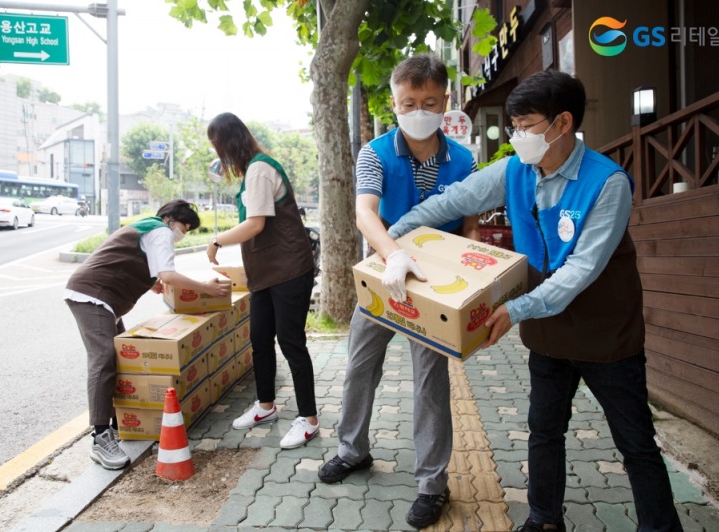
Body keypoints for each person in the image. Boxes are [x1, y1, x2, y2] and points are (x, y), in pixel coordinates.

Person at [387, 70, 683, 532]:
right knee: (545, 431)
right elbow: (453, 200)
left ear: (562, 123)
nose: (518, 137)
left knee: (636, 444)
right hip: (548, 332)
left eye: (526, 126)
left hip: (606, 333)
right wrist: (393, 237)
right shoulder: (515, 171)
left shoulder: (608, 184)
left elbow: (581, 271)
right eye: (514, 127)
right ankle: (544, 519)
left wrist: (514, 309)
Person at [317, 54, 480, 529]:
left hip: (435, 287)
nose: (419, 110)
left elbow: (469, 224)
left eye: (429, 101)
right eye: (408, 102)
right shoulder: (376, 152)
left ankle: (432, 483)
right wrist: (392, 255)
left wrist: (467, 281)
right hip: (384, 274)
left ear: (445, 101)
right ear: (394, 102)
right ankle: (352, 450)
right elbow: (365, 212)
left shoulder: (464, 159)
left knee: (430, 381)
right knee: (359, 366)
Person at [65, 200, 230, 470]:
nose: (182, 234)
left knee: (120, 359)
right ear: (169, 219)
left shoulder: (146, 229)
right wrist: (205, 289)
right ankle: (99, 437)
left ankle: (121, 423)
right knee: (104, 359)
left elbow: (141, 267)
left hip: (101, 299)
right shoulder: (160, 230)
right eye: (183, 227)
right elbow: (168, 274)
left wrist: (153, 283)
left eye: (187, 231)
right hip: (92, 297)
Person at [206, 112, 320, 450]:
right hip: (266, 274)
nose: (218, 155)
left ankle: (309, 419)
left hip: (288, 271)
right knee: (259, 338)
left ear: (228, 143)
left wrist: (216, 241)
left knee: (290, 342)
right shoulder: (253, 171)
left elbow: (255, 225)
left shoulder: (259, 169)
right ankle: (266, 406)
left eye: (217, 146)